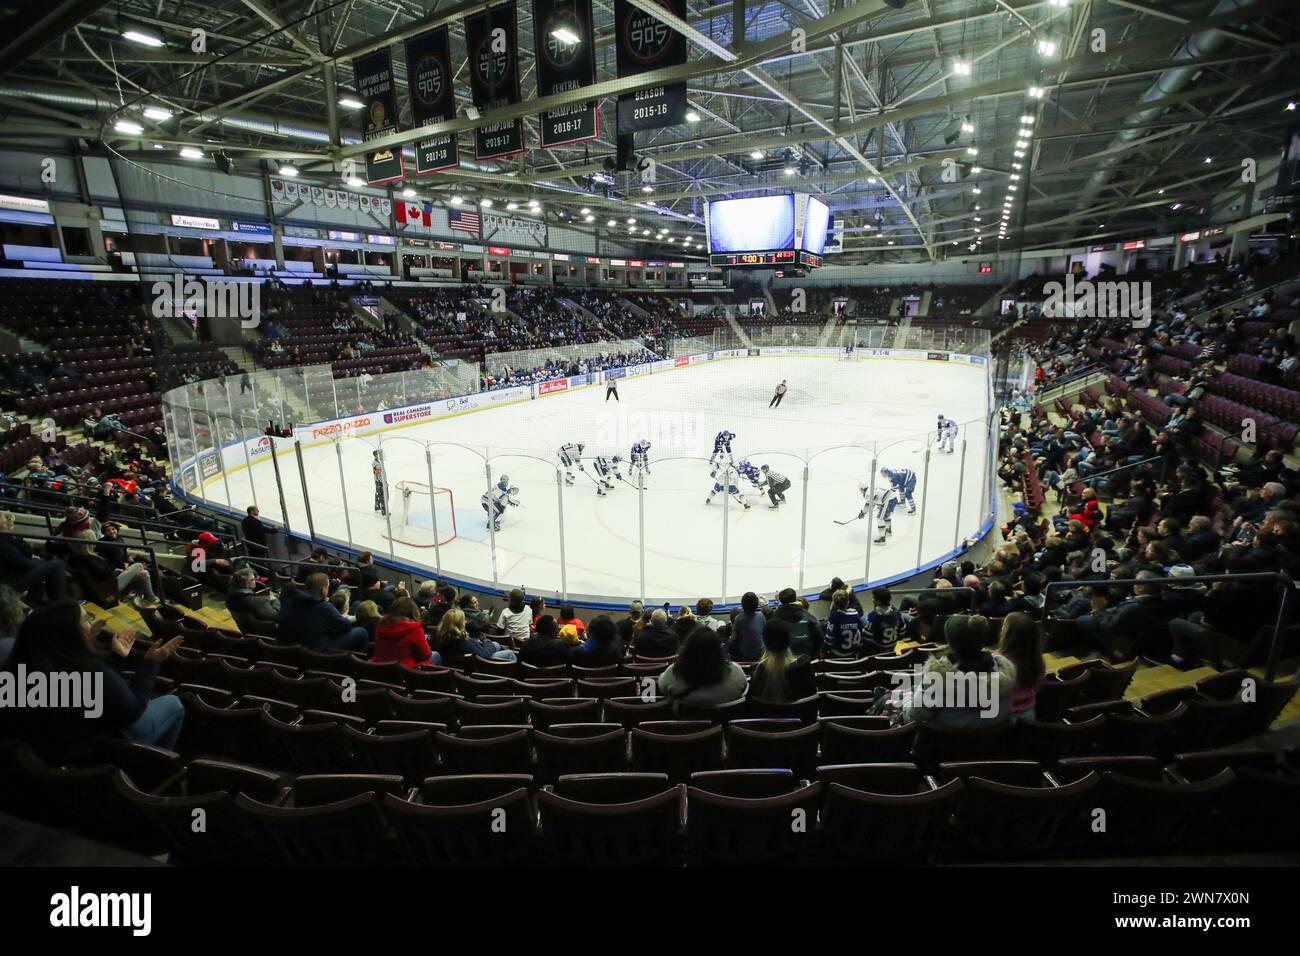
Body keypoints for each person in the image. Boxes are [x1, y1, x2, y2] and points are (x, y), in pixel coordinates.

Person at [0, 601, 184, 755]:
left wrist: (116, 655)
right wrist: (152, 662)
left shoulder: (18, 668)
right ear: (70, 632)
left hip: (48, 753)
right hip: (96, 753)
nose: (90, 624)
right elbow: (133, 710)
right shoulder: (88, 673)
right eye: (86, 619)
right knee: (173, 703)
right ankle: (155, 763)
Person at [897, 614, 1015, 727]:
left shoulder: (934, 681)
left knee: (895, 697)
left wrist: (907, 698)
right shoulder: (1005, 675)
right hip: (990, 745)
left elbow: (913, 717)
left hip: (943, 746)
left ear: (950, 642)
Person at [657, 627, 748, 711]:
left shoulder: (673, 673)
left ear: (687, 650)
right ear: (719, 650)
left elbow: (661, 686)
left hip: (687, 728)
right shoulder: (736, 673)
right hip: (726, 726)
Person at [277, 571, 368, 651]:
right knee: (361, 632)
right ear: (323, 590)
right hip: (315, 651)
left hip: (288, 647)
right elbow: (346, 627)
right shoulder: (324, 607)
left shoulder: (292, 599)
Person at [0, 511, 70, 603]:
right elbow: (26, 565)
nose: (9, 525)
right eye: (6, 523)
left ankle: (35, 600)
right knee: (58, 564)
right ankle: (61, 604)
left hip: (12, 576)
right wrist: (43, 562)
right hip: (10, 584)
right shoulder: (3, 543)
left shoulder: (6, 540)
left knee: (46, 566)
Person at [747, 619, 817, 703]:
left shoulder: (756, 672)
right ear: (789, 640)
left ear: (765, 642)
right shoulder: (804, 669)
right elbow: (811, 701)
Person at [996, 612, 1045, 721]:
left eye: (1003, 627)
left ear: (1007, 635)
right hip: (1028, 714)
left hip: (1002, 717)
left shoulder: (996, 661)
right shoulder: (1037, 660)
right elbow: (1037, 688)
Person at [372, 597, 437, 669]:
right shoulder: (415, 629)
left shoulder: (382, 624)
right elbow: (426, 655)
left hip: (379, 669)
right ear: (413, 612)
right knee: (435, 655)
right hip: (405, 673)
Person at [436, 608, 516, 661]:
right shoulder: (463, 642)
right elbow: (483, 655)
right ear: (459, 624)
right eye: (463, 620)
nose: (466, 622)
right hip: (479, 664)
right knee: (509, 653)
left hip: (459, 663)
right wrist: (489, 644)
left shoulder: (438, 636)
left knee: (496, 644)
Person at [226, 567, 279, 636]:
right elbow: (276, 615)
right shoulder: (258, 602)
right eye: (253, 579)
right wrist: (274, 600)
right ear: (246, 583)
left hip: (248, 632)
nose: (255, 581)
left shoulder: (229, 599)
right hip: (268, 632)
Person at [771, 588, 822, 658]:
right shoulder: (805, 614)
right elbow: (818, 635)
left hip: (786, 657)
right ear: (795, 599)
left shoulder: (776, 616)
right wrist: (816, 651)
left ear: (781, 601)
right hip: (806, 655)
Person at [824, 589, 866, 657]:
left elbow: (829, 638)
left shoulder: (834, 616)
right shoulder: (855, 614)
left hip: (837, 654)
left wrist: (824, 650)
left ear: (834, 603)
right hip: (852, 653)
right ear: (848, 602)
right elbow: (861, 633)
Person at [727, 591, 766, 661]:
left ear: (743, 604)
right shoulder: (761, 615)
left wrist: (725, 649)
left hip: (745, 654)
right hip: (761, 652)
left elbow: (733, 638)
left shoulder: (739, 618)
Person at [372, 450, 389, 517]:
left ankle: (377, 506)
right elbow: (378, 473)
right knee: (383, 495)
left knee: (379, 493)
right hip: (380, 482)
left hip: (379, 481)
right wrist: (383, 482)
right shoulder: (375, 464)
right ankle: (384, 511)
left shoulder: (379, 462)